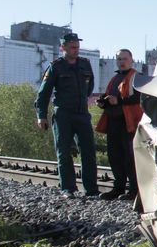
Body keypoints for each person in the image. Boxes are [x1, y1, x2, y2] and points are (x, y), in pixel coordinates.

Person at [35, 32, 99, 198]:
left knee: (88, 151)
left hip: (82, 114)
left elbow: (89, 87)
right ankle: (68, 189)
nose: (76, 50)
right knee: (64, 151)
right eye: (72, 47)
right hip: (63, 114)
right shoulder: (56, 66)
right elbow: (43, 93)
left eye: (77, 47)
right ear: (63, 47)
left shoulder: (85, 64)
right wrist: (41, 115)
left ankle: (91, 190)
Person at [95, 49, 143, 201]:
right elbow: (113, 97)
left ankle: (134, 190)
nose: (121, 61)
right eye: (119, 59)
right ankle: (118, 188)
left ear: (131, 60)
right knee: (115, 156)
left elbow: (141, 97)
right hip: (114, 122)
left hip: (129, 123)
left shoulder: (137, 77)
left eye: (124, 59)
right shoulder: (115, 78)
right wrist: (103, 101)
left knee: (130, 157)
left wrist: (119, 101)